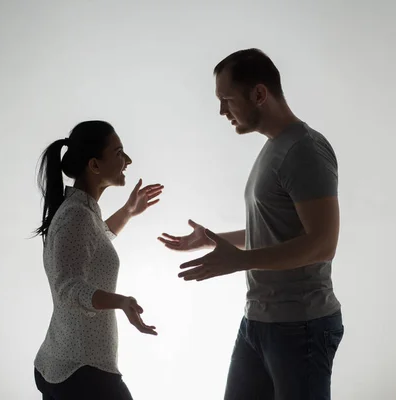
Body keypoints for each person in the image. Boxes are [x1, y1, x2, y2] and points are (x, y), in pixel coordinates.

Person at [159, 49, 344, 399]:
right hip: (258, 322)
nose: (221, 111)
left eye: (226, 99)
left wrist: (239, 260)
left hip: (300, 326)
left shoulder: (305, 150)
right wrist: (212, 241)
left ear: (259, 94)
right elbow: (277, 230)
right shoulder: (274, 147)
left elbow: (323, 243)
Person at [33, 120, 162, 400]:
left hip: (65, 365)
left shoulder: (81, 211)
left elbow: (95, 241)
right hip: (81, 372)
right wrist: (120, 301)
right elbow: (68, 288)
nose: (127, 160)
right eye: (118, 152)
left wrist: (128, 211)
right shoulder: (76, 215)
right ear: (94, 165)